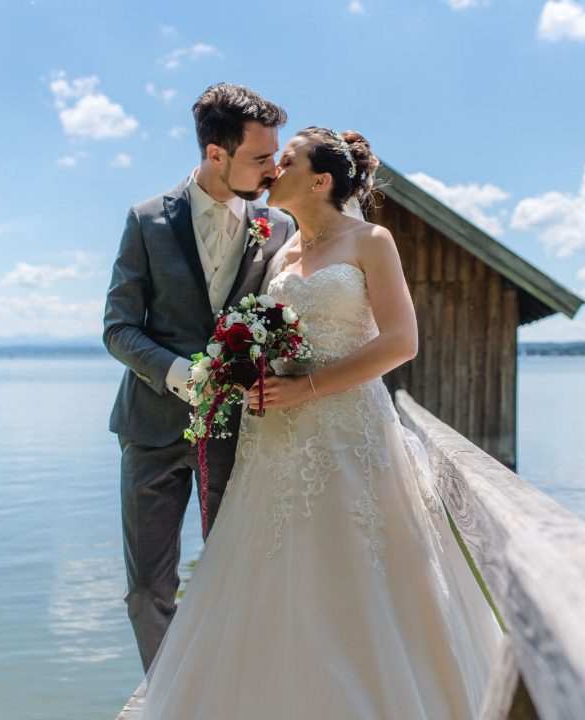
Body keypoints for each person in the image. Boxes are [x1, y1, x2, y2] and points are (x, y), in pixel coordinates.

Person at [137, 128, 503, 718]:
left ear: (321, 179)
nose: (271, 169)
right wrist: (246, 368)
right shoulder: (281, 252)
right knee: (271, 572)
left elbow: (402, 342)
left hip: (347, 428)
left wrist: (305, 387)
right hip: (275, 435)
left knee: (357, 572)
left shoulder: (371, 241)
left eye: (286, 160)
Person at [103, 83, 295, 673]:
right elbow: (118, 328)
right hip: (152, 430)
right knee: (148, 591)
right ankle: (163, 698)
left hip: (240, 436)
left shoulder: (278, 227)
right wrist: (180, 374)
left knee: (238, 576)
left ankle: (229, 693)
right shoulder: (145, 221)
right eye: (260, 158)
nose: (274, 168)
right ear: (217, 154)